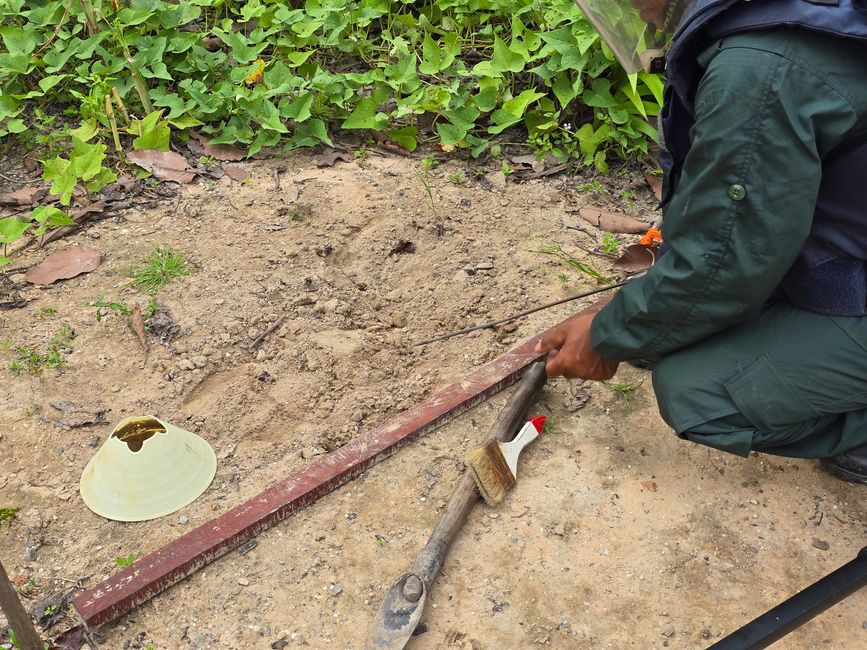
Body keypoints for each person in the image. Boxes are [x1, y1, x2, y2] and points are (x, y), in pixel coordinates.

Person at [537, 0, 867, 483]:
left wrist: (607, 333)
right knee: (662, 336)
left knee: (695, 392)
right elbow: (731, 222)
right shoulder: (780, 14)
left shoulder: (759, 68)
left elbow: (725, 262)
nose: (639, 17)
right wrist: (631, 314)